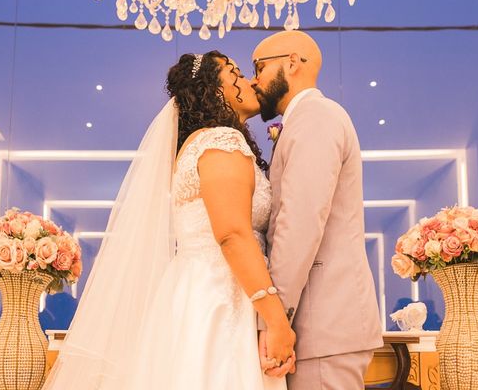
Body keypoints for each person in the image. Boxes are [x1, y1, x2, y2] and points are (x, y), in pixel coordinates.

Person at [42, 50, 294, 390]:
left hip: (197, 294)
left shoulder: (199, 144)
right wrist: (277, 319)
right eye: (234, 73)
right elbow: (233, 235)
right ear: (213, 90)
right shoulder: (221, 141)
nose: (249, 80)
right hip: (220, 299)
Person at [251, 31, 384, 390]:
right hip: (319, 325)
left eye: (259, 67)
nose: (254, 80)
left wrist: (273, 320)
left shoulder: (316, 116)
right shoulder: (304, 120)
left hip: (323, 321)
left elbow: (300, 224)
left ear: (291, 63)